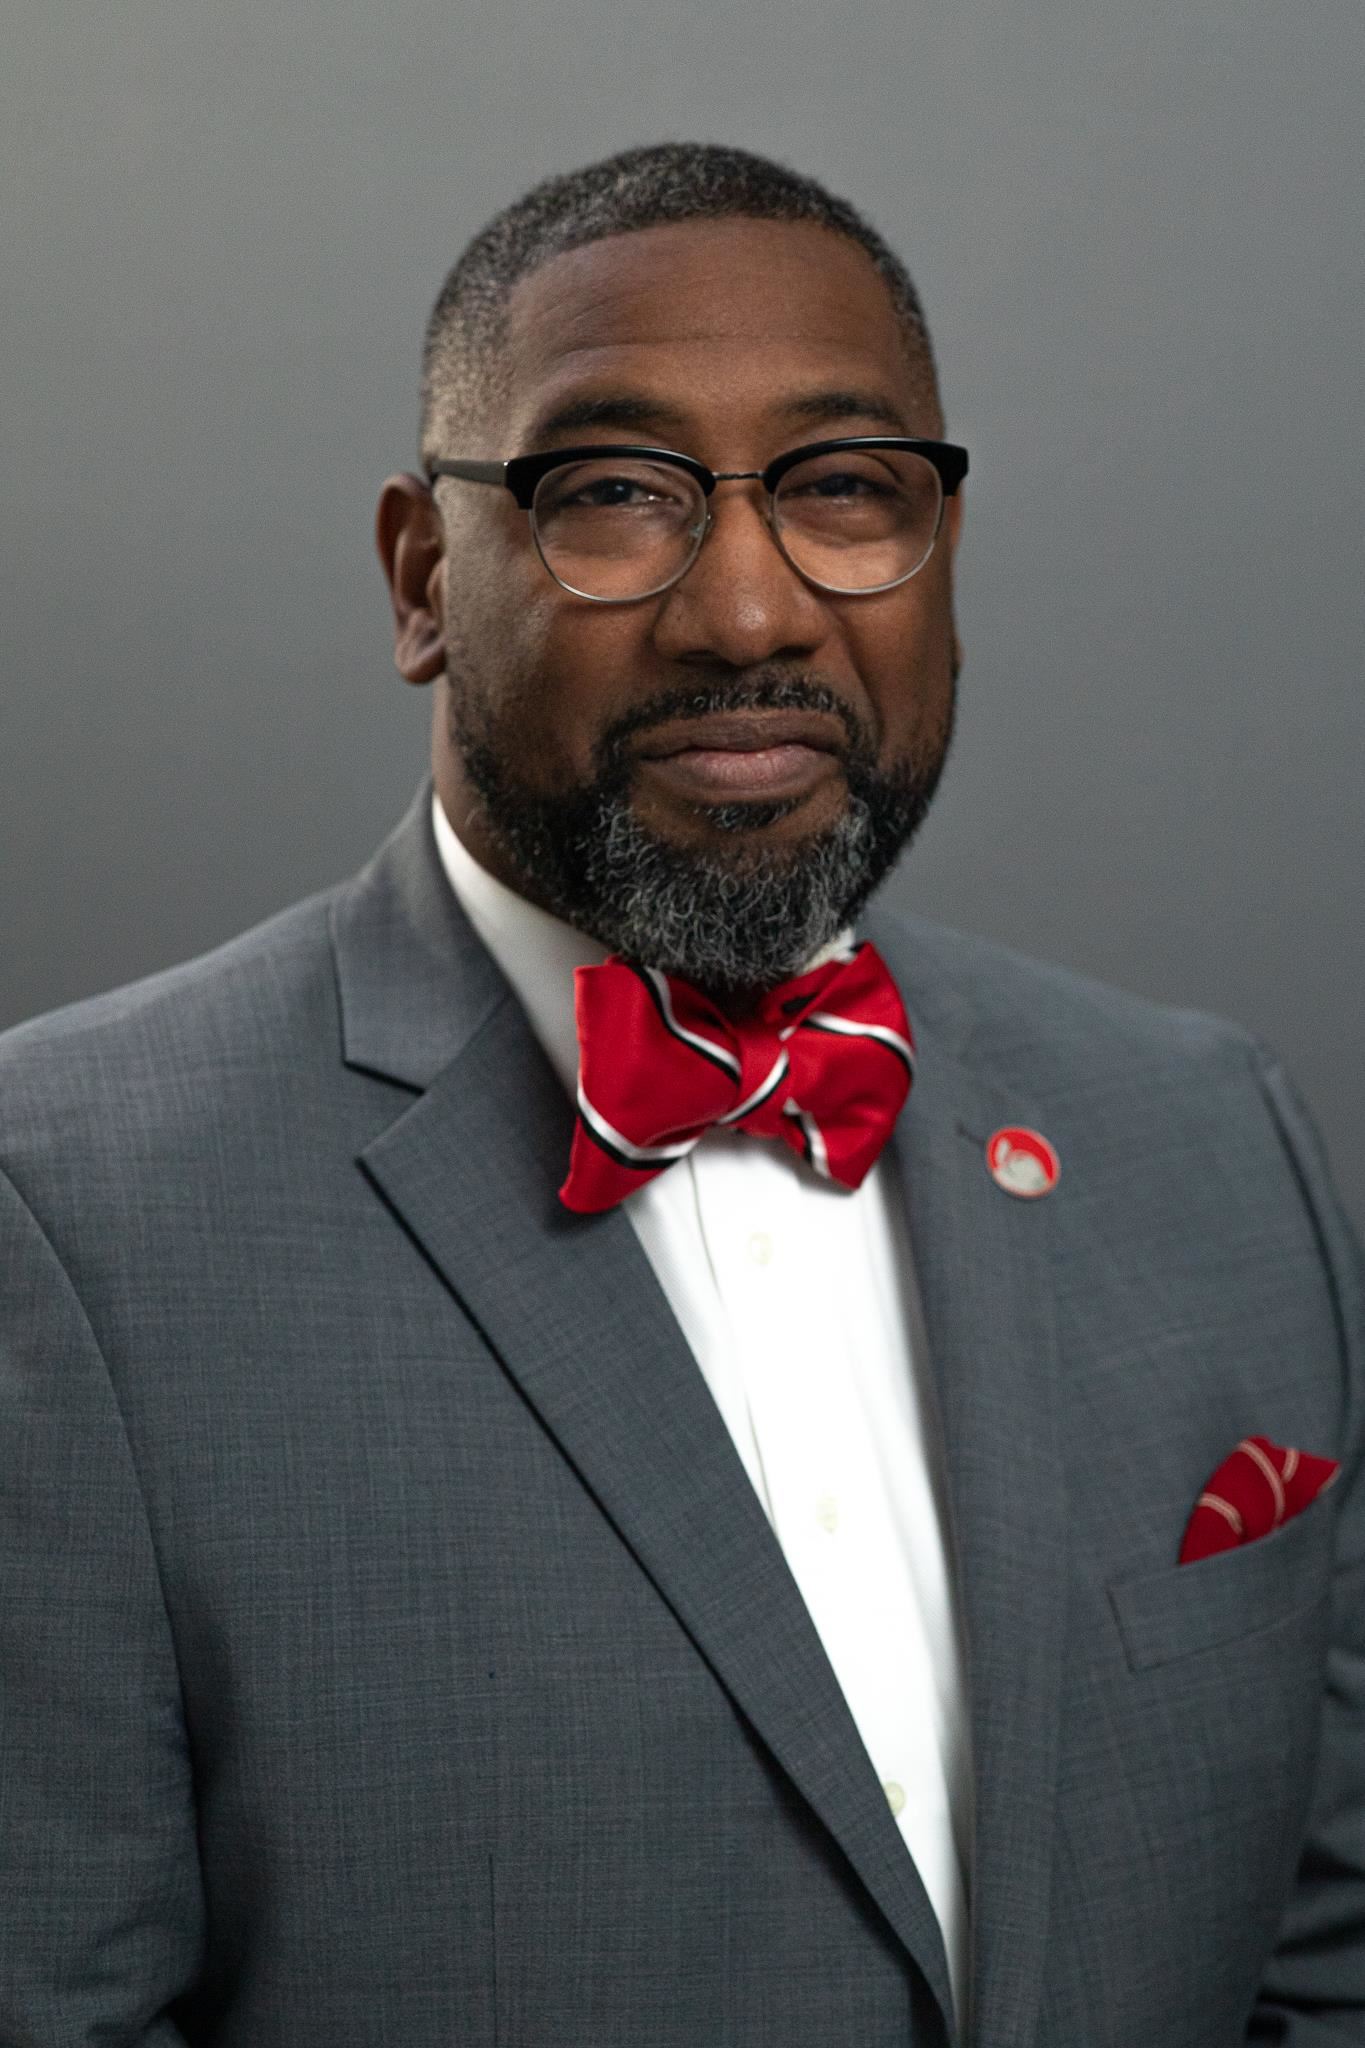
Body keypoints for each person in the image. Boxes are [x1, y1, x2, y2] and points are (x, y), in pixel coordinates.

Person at [1, 142, 1361, 2048]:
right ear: (421, 581)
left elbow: (1324, 1950)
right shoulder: (63, 1219)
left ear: (938, 551)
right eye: (614, 497)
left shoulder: (1213, 1138)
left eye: (843, 489)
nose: (748, 612)